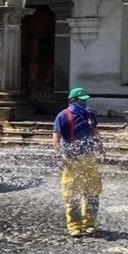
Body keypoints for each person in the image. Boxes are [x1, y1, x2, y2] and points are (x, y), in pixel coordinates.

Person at [52, 86, 104, 238]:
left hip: (88, 157)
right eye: (81, 101)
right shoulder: (63, 116)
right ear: (73, 101)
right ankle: (74, 225)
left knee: (93, 191)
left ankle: (90, 223)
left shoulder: (89, 114)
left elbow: (95, 132)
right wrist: (59, 155)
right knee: (71, 193)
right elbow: (56, 137)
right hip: (71, 159)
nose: (84, 103)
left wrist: (101, 147)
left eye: (85, 101)